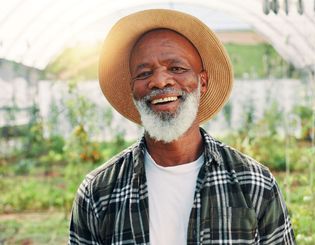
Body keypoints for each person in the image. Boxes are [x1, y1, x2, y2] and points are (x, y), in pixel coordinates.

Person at [69, 9, 296, 245]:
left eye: (176, 68)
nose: (159, 81)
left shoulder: (254, 184)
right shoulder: (98, 193)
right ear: (132, 89)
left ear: (203, 82)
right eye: (144, 73)